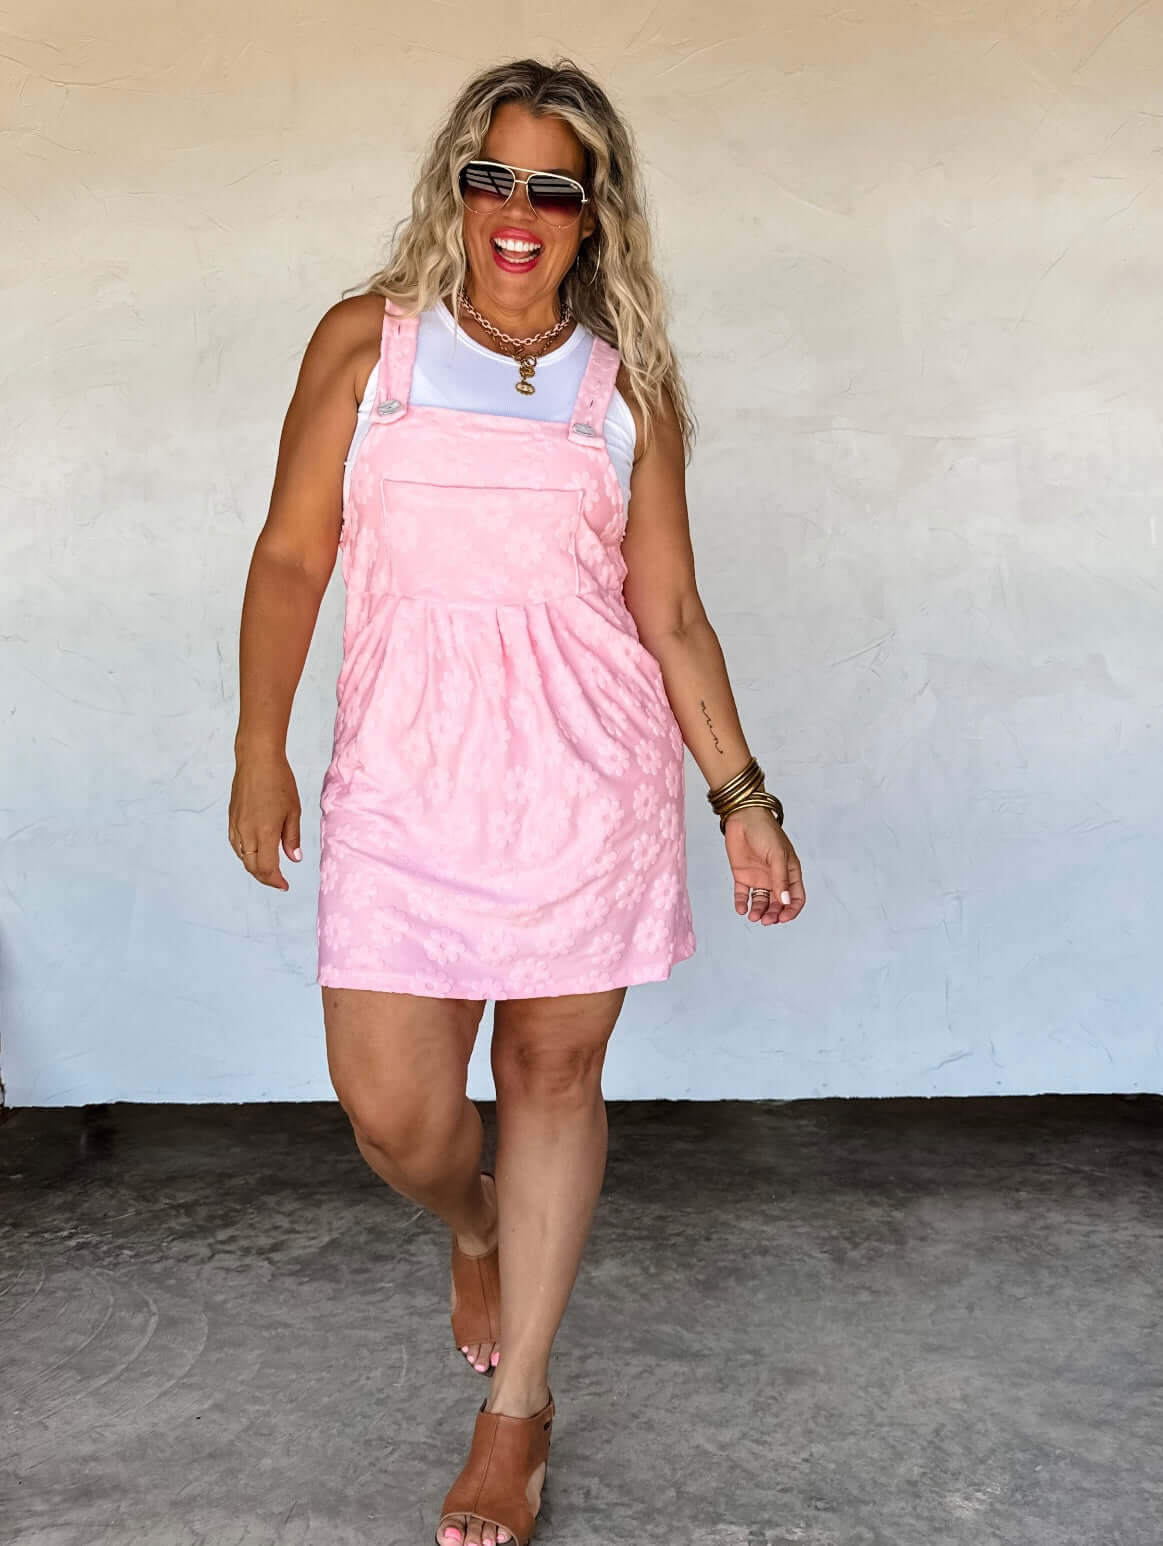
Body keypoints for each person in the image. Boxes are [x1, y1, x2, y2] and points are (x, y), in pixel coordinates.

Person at [228, 54, 805, 1546]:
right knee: (393, 1106)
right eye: (496, 175)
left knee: (554, 1078)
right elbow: (294, 558)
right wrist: (258, 746)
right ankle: (472, 1222)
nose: (519, 210)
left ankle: (519, 1410)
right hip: (407, 784)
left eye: (557, 186)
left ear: (595, 214)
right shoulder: (372, 346)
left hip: (584, 786)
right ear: (457, 186)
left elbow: (670, 611)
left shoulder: (627, 390)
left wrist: (739, 791)